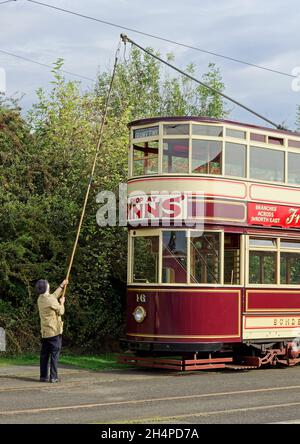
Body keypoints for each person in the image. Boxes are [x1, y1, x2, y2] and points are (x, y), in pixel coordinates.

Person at [35, 278, 68, 383]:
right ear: (46, 287)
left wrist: (62, 286)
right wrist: (62, 302)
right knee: (54, 354)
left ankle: (43, 377)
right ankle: (53, 377)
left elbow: (53, 296)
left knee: (44, 355)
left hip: (45, 333)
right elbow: (61, 311)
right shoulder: (51, 300)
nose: (48, 284)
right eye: (47, 284)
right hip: (54, 332)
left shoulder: (40, 298)